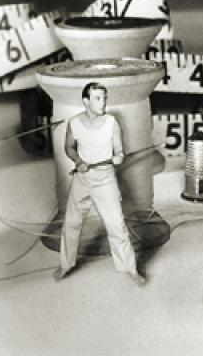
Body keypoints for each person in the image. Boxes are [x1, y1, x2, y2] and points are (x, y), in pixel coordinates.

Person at [53, 82, 146, 286]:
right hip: (82, 180)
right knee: (71, 224)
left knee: (117, 226)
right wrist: (78, 161)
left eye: (104, 98)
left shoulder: (112, 122)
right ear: (86, 101)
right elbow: (69, 147)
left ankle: (130, 269)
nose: (103, 102)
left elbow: (119, 150)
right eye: (97, 98)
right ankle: (66, 265)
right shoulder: (74, 123)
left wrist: (119, 156)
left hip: (105, 181)